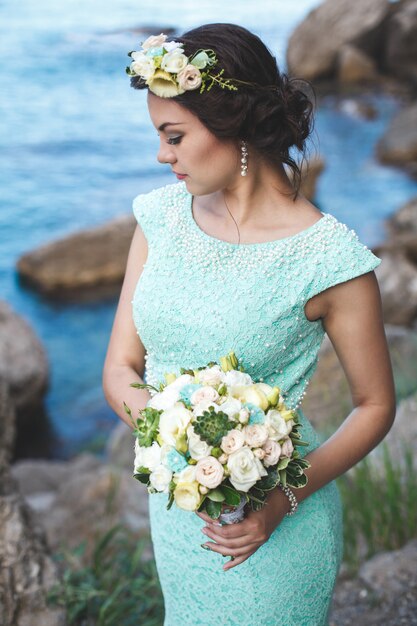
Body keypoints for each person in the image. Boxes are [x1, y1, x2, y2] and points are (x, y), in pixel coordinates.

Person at [102, 23, 396, 626]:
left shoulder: (328, 259)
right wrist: (177, 445)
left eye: (175, 135)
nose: (163, 155)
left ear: (232, 124)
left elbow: (374, 406)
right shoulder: (158, 217)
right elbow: (120, 368)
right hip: (181, 512)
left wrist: (282, 501)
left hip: (280, 523)